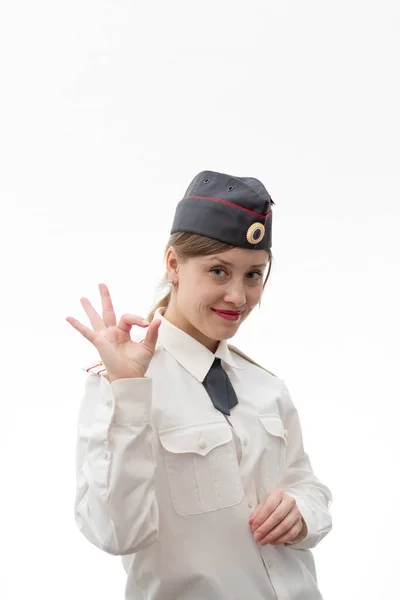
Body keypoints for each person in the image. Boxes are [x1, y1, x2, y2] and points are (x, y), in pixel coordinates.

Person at [66, 170, 333, 600]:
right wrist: (129, 392)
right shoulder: (123, 383)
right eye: (218, 271)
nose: (238, 297)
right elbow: (114, 532)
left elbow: (308, 486)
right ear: (173, 264)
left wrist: (302, 513)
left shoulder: (265, 385)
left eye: (253, 275)